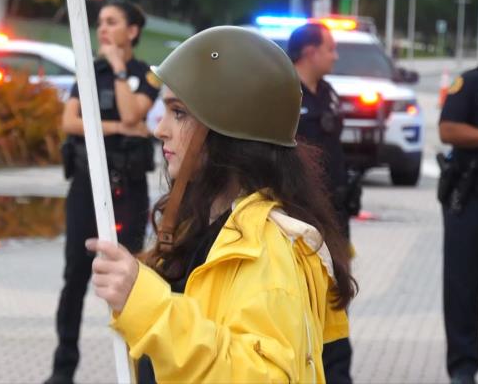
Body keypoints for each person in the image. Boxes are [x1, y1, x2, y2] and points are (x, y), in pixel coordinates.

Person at [87, 26, 356, 382]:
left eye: (179, 113)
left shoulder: (266, 248)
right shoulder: (202, 224)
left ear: (228, 129)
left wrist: (146, 304)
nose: (160, 129)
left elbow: (261, 377)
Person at [46, 0, 161, 384]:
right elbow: (69, 121)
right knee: (74, 277)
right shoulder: (88, 72)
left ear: (132, 32)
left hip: (127, 187)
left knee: (130, 279)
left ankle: (134, 371)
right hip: (86, 186)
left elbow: (133, 113)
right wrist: (112, 130)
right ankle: (63, 370)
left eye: (112, 22)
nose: (103, 30)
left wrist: (117, 69)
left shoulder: (146, 75)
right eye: (99, 23)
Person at [287, 23, 355, 382]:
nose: (335, 55)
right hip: (301, 222)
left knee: (336, 303)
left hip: (334, 220)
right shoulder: (282, 92)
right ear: (311, 51)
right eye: (331, 48)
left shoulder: (327, 93)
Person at [437, 25, 478, 384]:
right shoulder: (473, 83)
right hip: (472, 204)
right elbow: (449, 130)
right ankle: (463, 370)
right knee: (462, 292)